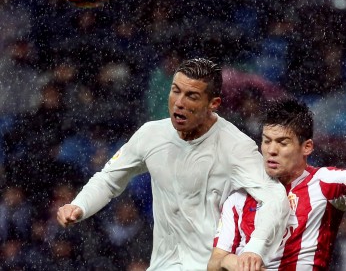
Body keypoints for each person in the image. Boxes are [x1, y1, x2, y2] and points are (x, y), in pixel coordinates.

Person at [56, 58, 289, 270]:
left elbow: (275, 196)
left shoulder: (235, 146)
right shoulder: (151, 135)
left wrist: (254, 248)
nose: (179, 102)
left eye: (192, 96)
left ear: (213, 103)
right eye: (175, 91)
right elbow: (109, 179)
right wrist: (80, 205)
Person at [207, 97, 346, 270]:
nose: (271, 150)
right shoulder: (239, 198)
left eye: (282, 143)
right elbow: (215, 263)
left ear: (306, 147)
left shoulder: (324, 182)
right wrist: (235, 262)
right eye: (267, 141)